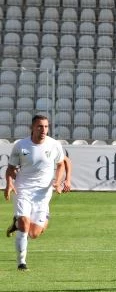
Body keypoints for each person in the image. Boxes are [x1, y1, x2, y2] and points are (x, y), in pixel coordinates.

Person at [4, 114, 72, 271]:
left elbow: (62, 163)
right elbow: (10, 168)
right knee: (24, 224)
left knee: (33, 233)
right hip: (23, 189)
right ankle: (21, 262)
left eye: (46, 127)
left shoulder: (54, 145)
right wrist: (9, 184)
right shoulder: (21, 145)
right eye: (40, 126)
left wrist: (60, 180)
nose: (43, 130)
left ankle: (17, 223)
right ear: (32, 128)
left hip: (43, 193)